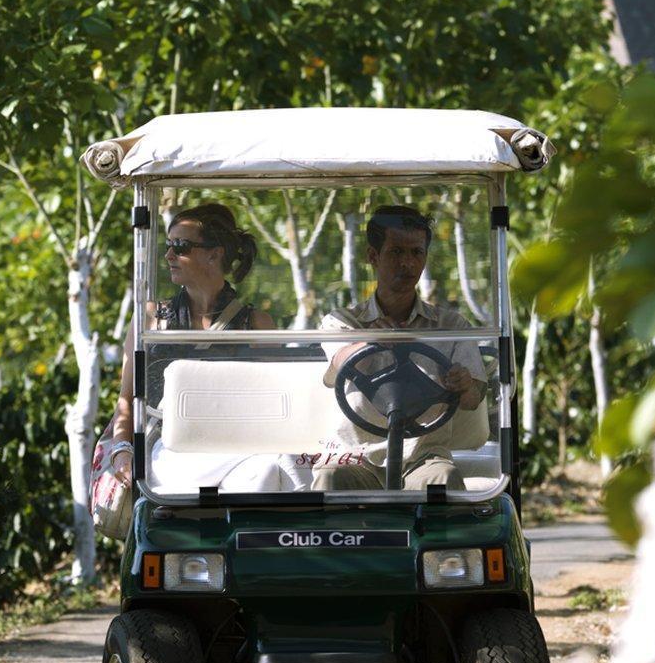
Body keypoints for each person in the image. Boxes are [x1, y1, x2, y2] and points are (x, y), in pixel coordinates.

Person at [312, 205, 488, 492]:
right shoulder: (343, 322)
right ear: (373, 256)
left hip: (423, 457)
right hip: (358, 456)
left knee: (443, 481)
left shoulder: (452, 324)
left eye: (416, 253)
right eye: (396, 252)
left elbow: (472, 398)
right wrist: (370, 341)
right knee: (330, 478)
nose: (407, 263)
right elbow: (341, 360)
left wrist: (464, 383)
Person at [104, 203, 273, 487]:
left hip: (237, 448)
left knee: (272, 469)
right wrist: (122, 449)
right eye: (168, 245)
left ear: (214, 254)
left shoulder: (255, 324)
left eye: (181, 246)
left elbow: (273, 407)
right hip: (168, 450)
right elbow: (127, 399)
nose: (169, 255)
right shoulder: (151, 318)